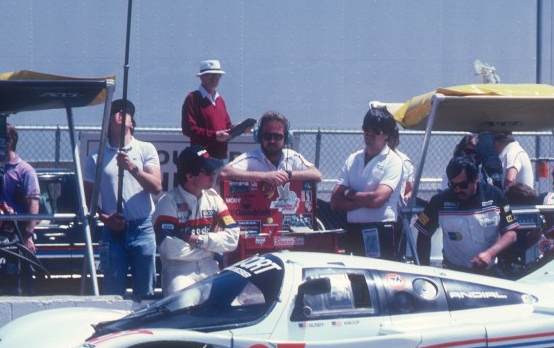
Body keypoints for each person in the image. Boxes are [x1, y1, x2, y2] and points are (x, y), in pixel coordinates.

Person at [83, 99, 162, 300]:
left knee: (145, 294)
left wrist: (132, 168)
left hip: (142, 229)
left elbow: (156, 186)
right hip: (113, 233)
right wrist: (105, 218)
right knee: (112, 294)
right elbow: (88, 198)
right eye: (116, 111)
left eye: (126, 112)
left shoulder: (146, 149)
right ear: (109, 121)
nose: (120, 113)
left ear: (132, 123)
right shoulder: (95, 157)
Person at [153, 146, 240, 294]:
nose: (213, 174)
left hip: (210, 266)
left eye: (213, 170)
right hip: (179, 271)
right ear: (189, 176)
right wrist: (212, 246)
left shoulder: (214, 198)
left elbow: (233, 238)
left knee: (229, 303)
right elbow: (171, 250)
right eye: (207, 171)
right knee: (183, 302)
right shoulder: (168, 202)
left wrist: (199, 240)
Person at [415, 155, 519, 273]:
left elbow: (511, 234)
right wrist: (423, 270)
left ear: (476, 178)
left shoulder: (495, 196)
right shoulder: (439, 201)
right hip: (454, 271)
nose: (458, 190)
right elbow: (423, 233)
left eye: (463, 185)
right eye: (453, 185)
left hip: (489, 271)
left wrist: (490, 253)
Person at [329, 106, 404, 260]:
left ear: (387, 135)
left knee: (382, 281)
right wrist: (366, 200)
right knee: (355, 280)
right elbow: (335, 202)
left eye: (376, 130)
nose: (369, 133)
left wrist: (349, 193)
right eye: (366, 128)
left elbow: (377, 200)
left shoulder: (393, 162)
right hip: (353, 231)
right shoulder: (353, 159)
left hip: (381, 230)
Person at [221, 110, 322, 188]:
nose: (272, 141)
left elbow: (316, 174)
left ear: (286, 138)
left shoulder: (292, 156)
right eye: (267, 136)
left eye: (277, 137)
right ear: (259, 136)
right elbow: (225, 173)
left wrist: (286, 175)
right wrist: (265, 176)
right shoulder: (250, 158)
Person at [0, 124, 41, 294]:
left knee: (21, 284)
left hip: (18, 235)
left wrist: (28, 235)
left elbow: (34, 203)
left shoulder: (25, 171)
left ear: (9, 141)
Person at [181, 59, 233, 162]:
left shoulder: (220, 100)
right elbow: (188, 129)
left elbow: (227, 127)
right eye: (209, 75)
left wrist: (241, 128)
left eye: (217, 75)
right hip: (202, 157)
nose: (214, 79)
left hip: (222, 157)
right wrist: (214, 135)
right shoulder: (192, 98)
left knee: (222, 178)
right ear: (201, 77)